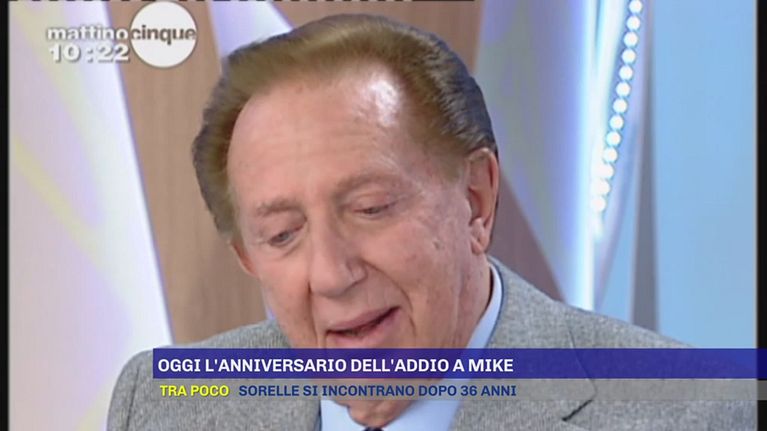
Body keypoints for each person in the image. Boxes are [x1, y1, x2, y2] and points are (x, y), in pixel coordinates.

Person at [108, 14, 754, 430]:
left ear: (475, 199)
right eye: (282, 235)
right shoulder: (166, 405)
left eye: (370, 208)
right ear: (248, 258)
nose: (331, 273)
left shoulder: (692, 411)